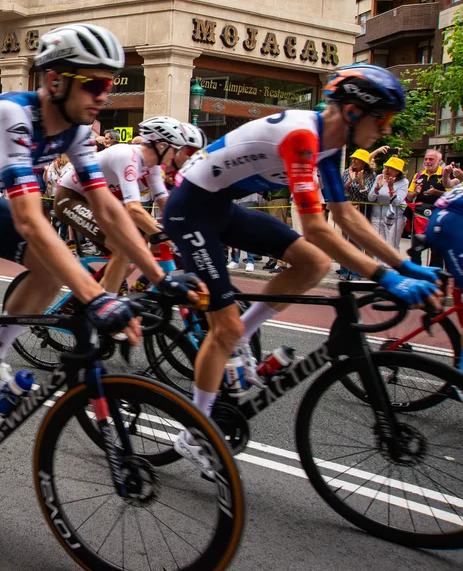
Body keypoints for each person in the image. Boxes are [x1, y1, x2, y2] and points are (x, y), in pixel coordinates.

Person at [0, 24, 202, 522]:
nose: (105, 95)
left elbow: (107, 207)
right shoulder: (14, 118)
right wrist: (97, 298)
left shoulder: (77, 132)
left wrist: (161, 277)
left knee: (49, 270)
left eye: (110, 84)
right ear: (56, 81)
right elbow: (31, 222)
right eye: (95, 84)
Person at [163, 63, 442, 474]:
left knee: (314, 263)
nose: (385, 130)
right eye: (382, 119)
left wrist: (404, 265)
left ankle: (244, 338)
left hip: (221, 208)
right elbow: (316, 227)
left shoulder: (329, 143)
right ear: (352, 112)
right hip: (190, 212)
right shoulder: (303, 136)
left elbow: (345, 215)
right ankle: (195, 433)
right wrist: (386, 277)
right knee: (224, 327)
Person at [53, 117, 205, 293]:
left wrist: (187, 230)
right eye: (175, 149)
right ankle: (105, 305)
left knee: (131, 259)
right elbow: (133, 209)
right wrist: (167, 236)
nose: (177, 155)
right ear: (162, 146)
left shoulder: (153, 167)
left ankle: (97, 296)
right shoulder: (128, 156)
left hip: (99, 203)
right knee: (124, 250)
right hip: (70, 198)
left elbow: (165, 205)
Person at [337, 148, 376, 280]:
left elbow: (367, 195)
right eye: (353, 158)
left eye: (356, 159)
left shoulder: (370, 175)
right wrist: (350, 181)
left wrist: (360, 182)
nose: (353, 160)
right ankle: (344, 271)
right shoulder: (346, 172)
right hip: (347, 209)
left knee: (358, 242)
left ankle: (356, 273)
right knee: (345, 241)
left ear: (363, 162)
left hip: (361, 211)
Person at [409, 148, 447, 268]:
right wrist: (415, 192)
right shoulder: (418, 175)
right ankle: (415, 273)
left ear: (439, 161)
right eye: (426, 159)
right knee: (416, 249)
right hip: (419, 216)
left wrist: (436, 192)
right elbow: (409, 196)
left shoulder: (446, 174)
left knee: (437, 250)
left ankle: (435, 275)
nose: (427, 161)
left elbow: (452, 195)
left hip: (438, 216)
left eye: (431, 159)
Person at [368, 156, 409, 251]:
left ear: (397, 171)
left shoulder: (404, 182)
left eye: (390, 168)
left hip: (395, 217)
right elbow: (370, 198)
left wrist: (391, 188)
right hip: (378, 216)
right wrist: (376, 189)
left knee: (391, 245)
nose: (386, 170)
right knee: (377, 245)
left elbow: (397, 201)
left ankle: (393, 261)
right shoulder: (379, 177)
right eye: (386, 167)